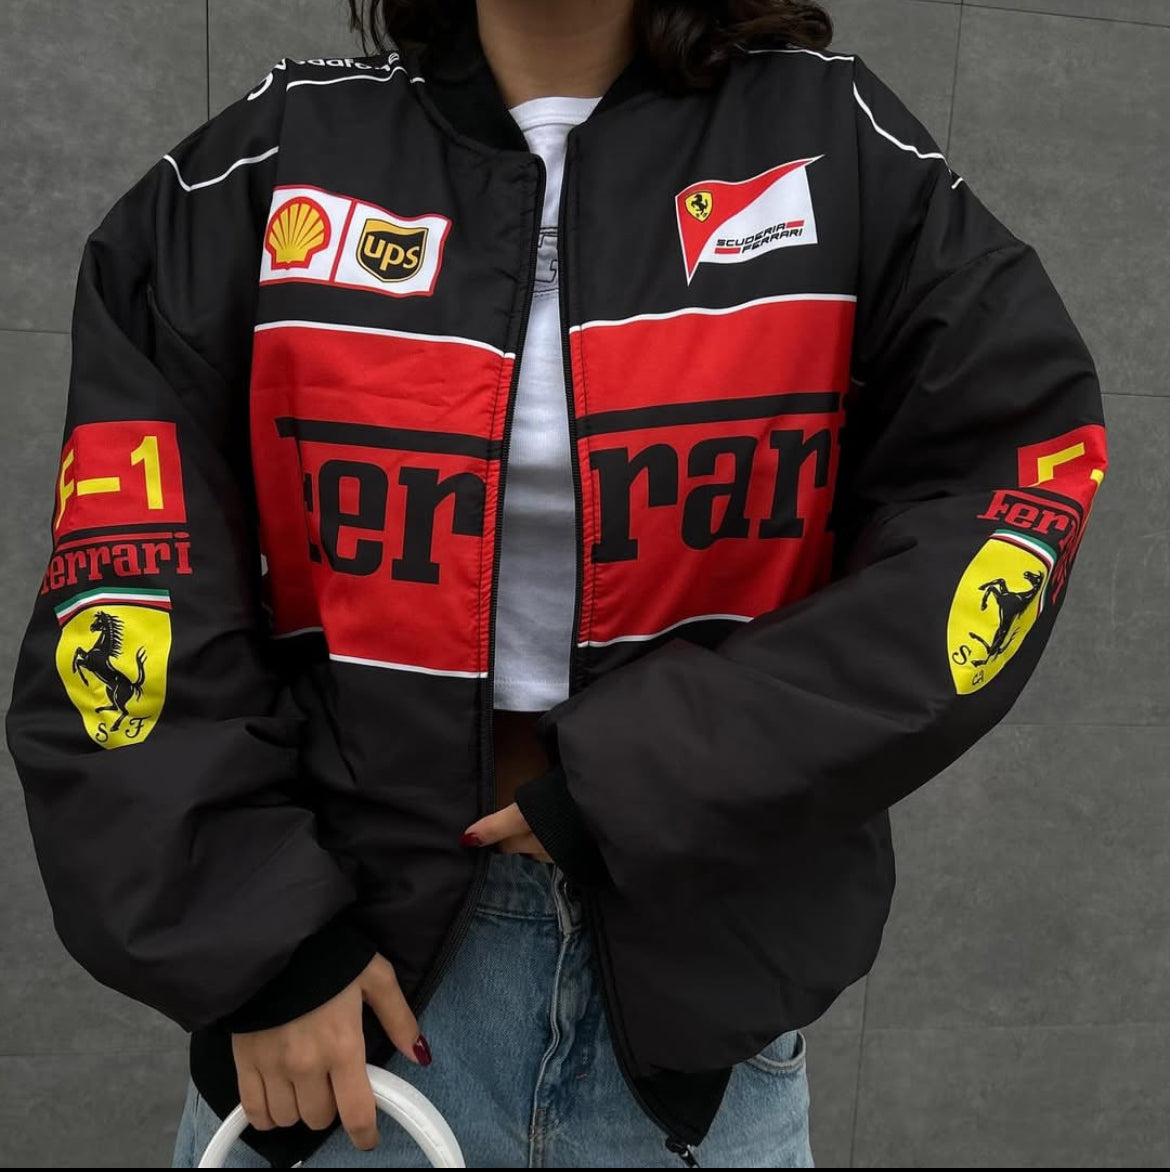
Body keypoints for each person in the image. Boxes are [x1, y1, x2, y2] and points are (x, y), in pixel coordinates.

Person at [6, 0, 1108, 1166]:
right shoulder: (269, 160)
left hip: (697, 1015)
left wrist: (648, 769)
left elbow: (1015, 484)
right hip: (341, 1018)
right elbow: (129, 577)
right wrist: (257, 944)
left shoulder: (838, 148)